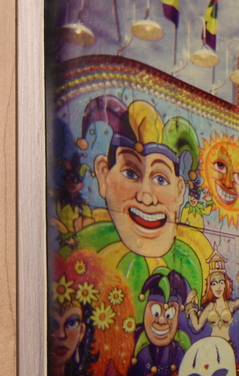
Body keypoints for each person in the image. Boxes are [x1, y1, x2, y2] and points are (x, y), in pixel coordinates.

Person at [72, 95, 212, 320]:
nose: (146, 197)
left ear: (179, 192)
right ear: (102, 175)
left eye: (160, 178)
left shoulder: (193, 261)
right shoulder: (87, 251)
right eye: (130, 172)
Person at [129, 268, 190, 376]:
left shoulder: (180, 351)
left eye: (170, 314)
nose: (162, 320)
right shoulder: (134, 346)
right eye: (156, 311)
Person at [186, 266, 239, 343]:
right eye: (214, 283)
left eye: (221, 282)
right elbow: (197, 326)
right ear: (210, 287)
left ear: (225, 285)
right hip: (212, 345)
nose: (218, 287)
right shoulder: (211, 306)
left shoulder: (230, 305)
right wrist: (189, 304)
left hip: (228, 344)